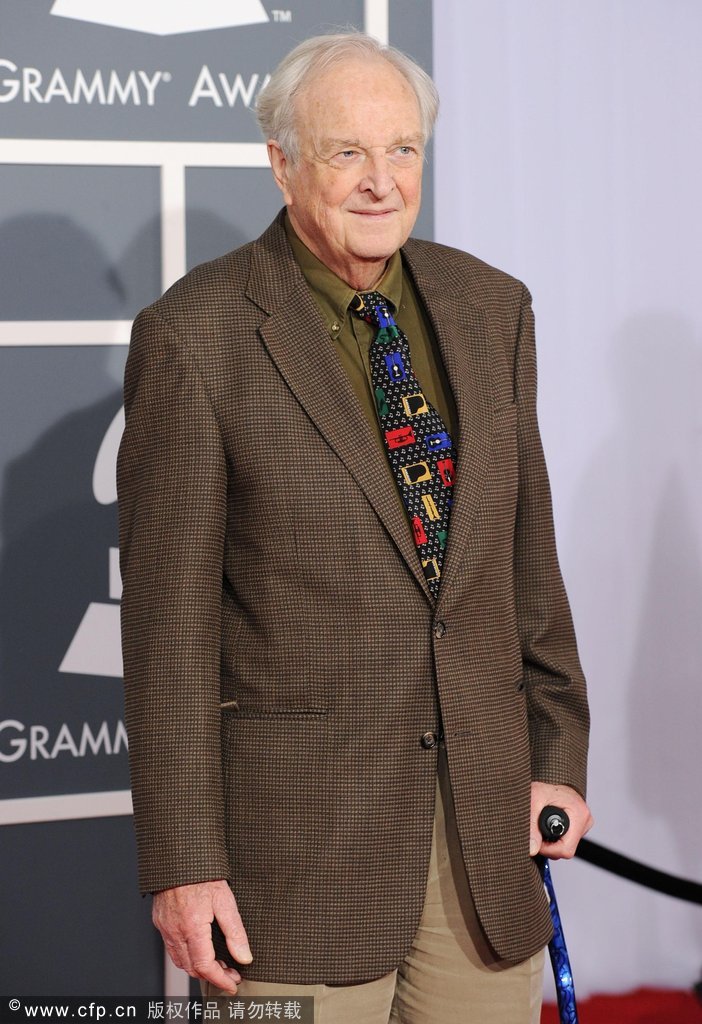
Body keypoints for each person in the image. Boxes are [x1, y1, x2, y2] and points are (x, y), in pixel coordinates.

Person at [117, 31, 592, 1024]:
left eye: (404, 149)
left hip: (482, 845)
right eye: (347, 153)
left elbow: (523, 559)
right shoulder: (194, 336)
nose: (383, 181)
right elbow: (168, 636)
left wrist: (557, 747)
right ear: (282, 161)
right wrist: (184, 864)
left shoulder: (491, 307)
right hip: (292, 870)